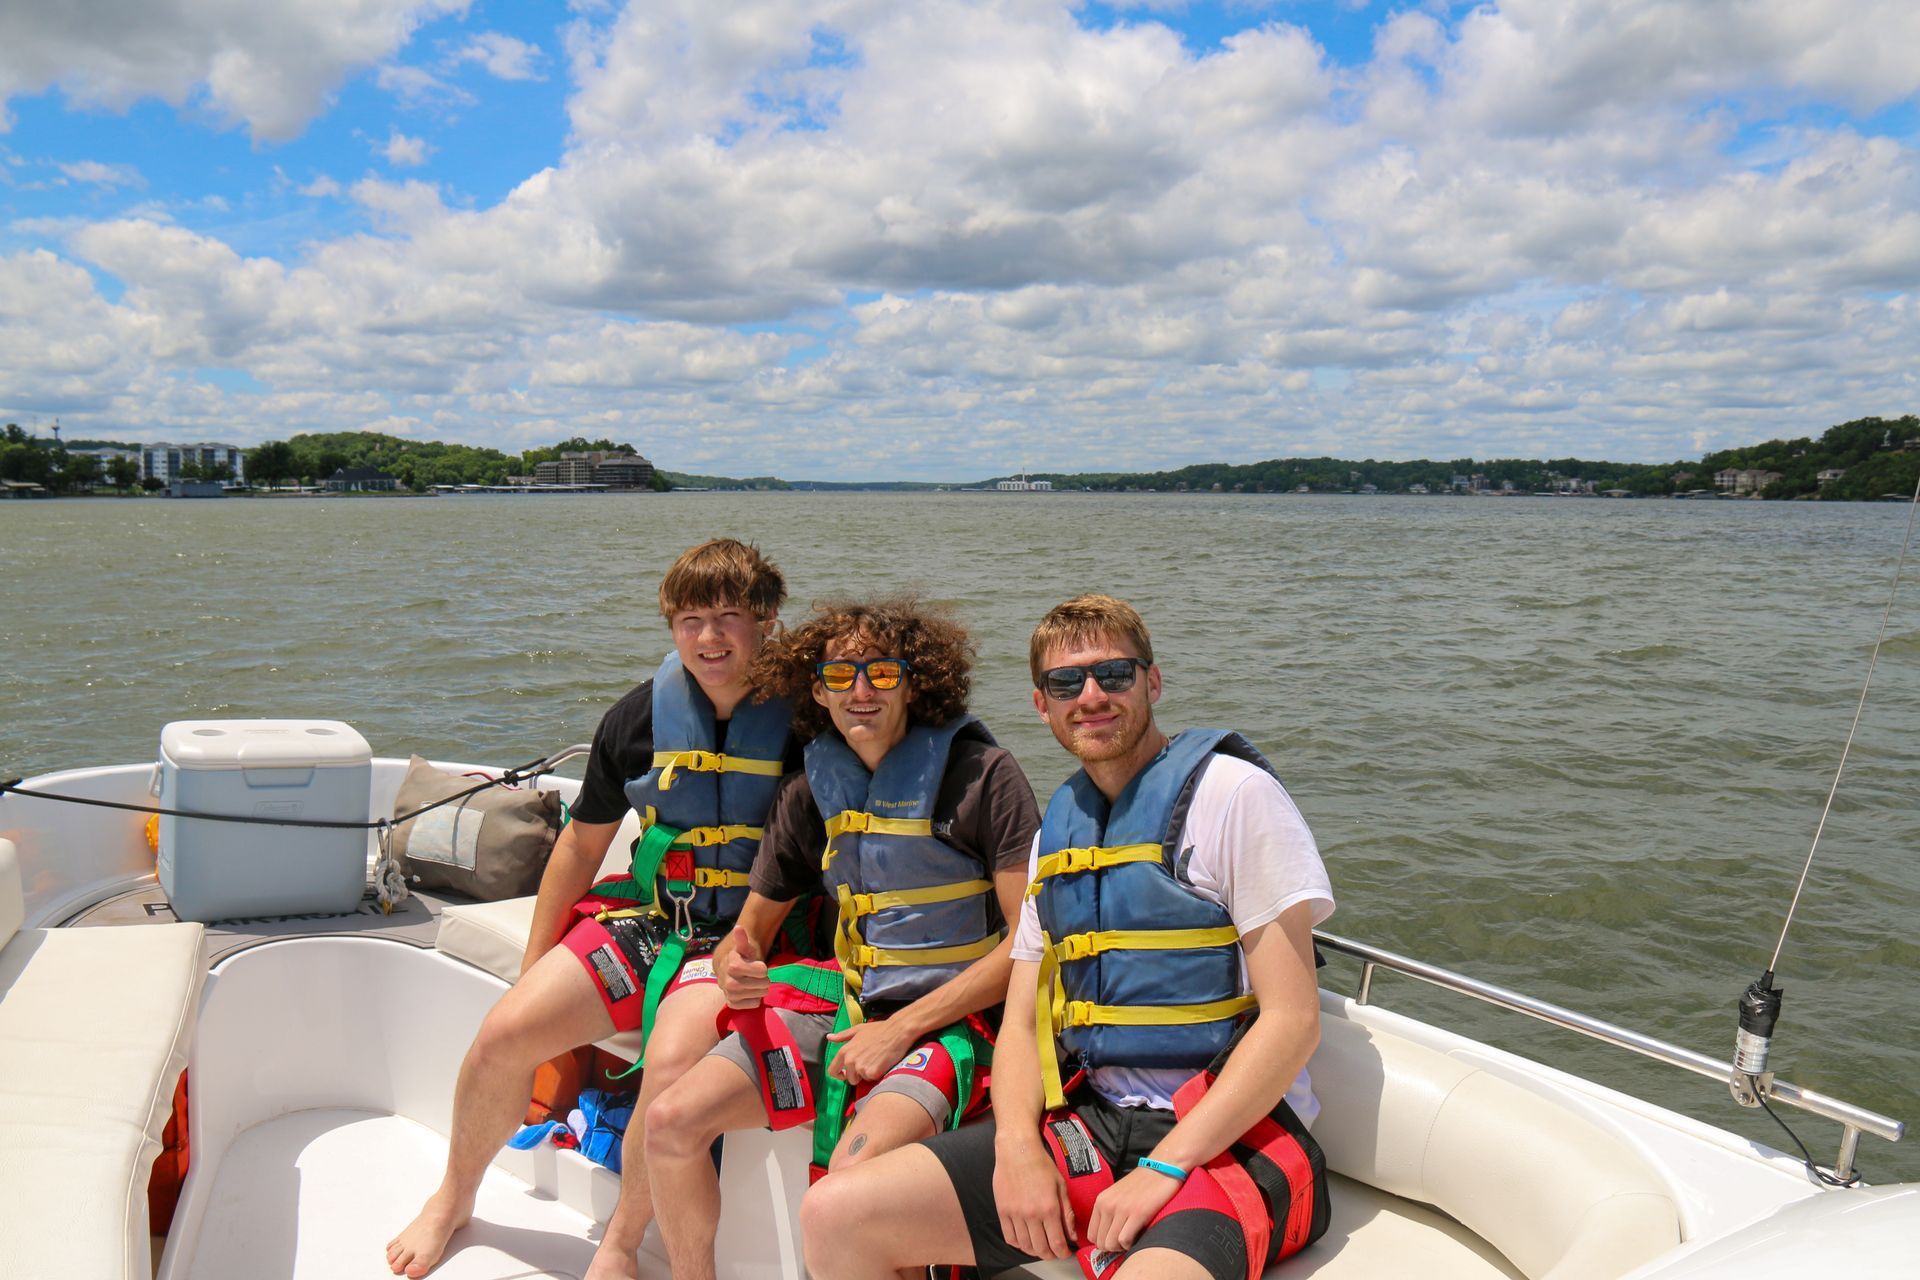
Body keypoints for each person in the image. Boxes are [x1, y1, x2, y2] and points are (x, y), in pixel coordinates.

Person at [802, 593, 1335, 1280]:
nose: (1091, 696)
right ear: (1041, 705)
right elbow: (1022, 1020)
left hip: (1230, 1137)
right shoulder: (1060, 829)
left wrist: (1168, 1163)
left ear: (1153, 681)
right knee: (836, 1216)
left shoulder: (1234, 796)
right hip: (1096, 1119)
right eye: (1066, 683)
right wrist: (1019, 1147)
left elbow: (1292, 1022)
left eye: (1113, 674)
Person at [387, 538, 801, 1280]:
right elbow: (581, 848)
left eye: (731, 616)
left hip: (750, 940)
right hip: (653, 920)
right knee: (505, 1033)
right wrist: (534, 965)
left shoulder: (812, 721)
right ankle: (454, 1196)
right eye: (691, 619)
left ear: (767, 619)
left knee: (672, 1061)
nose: (709, 638)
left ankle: (618, 1245)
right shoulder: (640, 718)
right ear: (672, 627)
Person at [642, 597, 1041, 1280]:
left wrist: (902, 1028)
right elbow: (746, 937)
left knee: (857, 1181)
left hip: (957, 1024)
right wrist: (734, 967)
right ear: (817, 690)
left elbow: (1030, 946)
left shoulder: (983, 778)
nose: (861, 691)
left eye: (882, 674)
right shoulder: (809, 793)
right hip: (847, 1010)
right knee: (670, 1122)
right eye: (841, 675)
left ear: (915, 683)